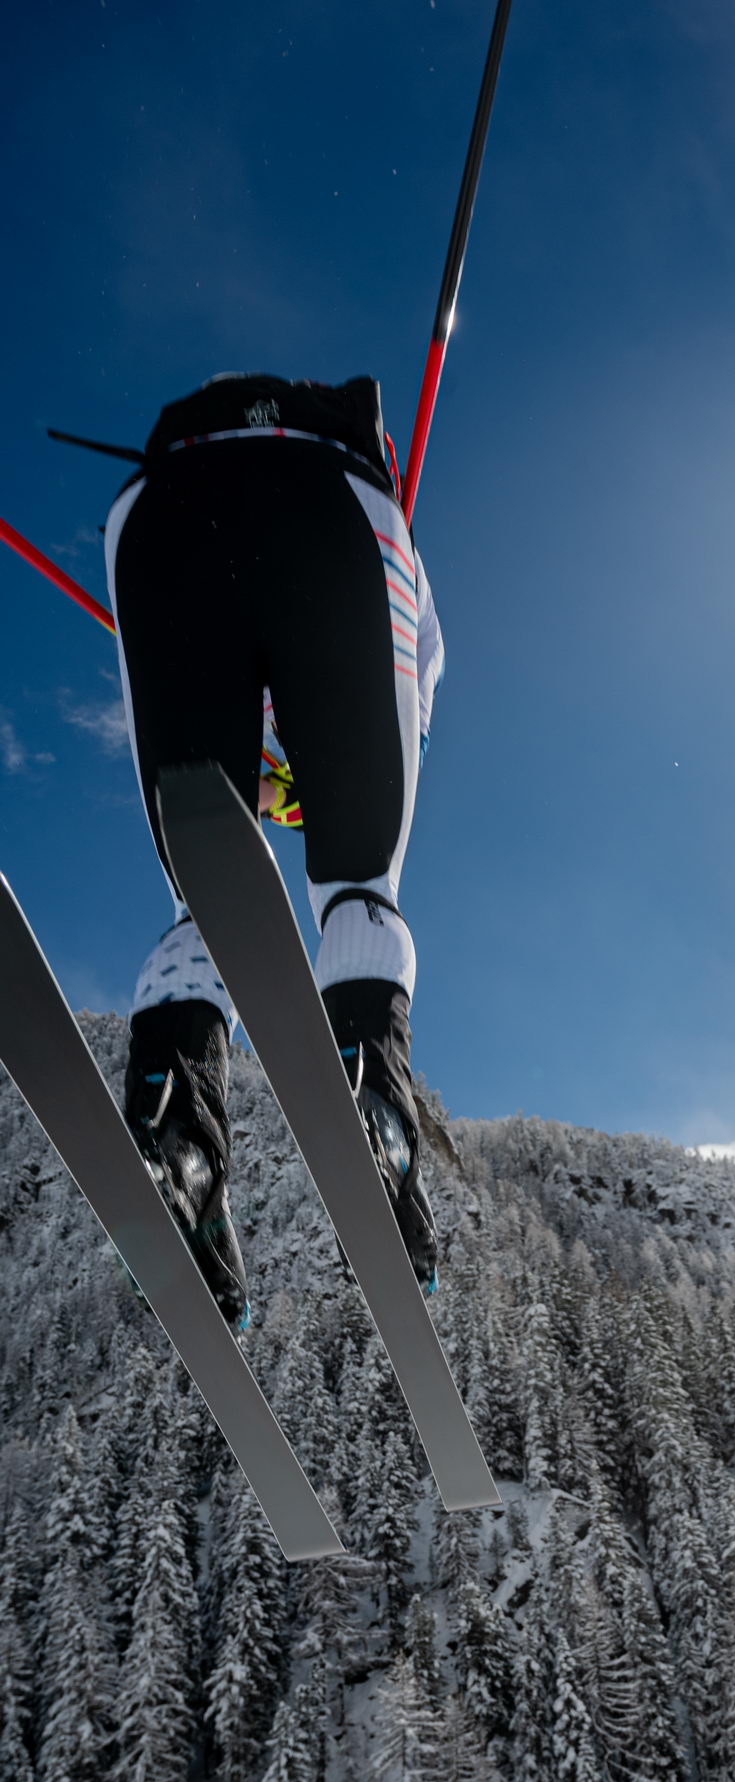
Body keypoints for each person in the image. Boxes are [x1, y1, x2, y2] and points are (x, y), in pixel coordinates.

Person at [103, 372, 444, 1326]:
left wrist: (264, 782)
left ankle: (181, 1133)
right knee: (361, 884)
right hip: (335, 507)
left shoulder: (177, 462)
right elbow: (414, 687)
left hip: (160, 515)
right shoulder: (379, 509)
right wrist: (331, 789)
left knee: (208, 884)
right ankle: (373, 1104)